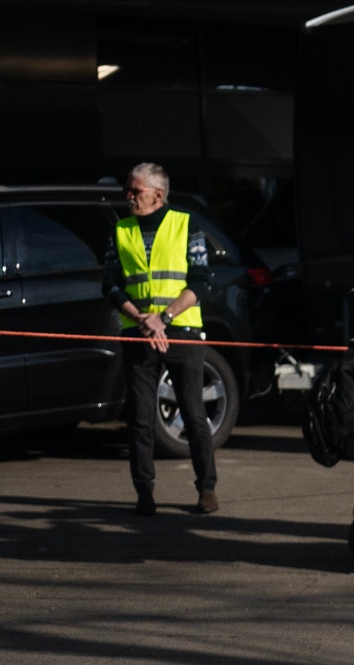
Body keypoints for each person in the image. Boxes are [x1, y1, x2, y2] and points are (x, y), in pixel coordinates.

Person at [103, 161, 216, 517]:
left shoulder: (186, 224)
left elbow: (200, 281)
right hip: (139, 332)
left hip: (180, 331)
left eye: (135, 191)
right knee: (139, 417)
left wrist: (164, 318)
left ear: (158, 194)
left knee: (194, 414)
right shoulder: (120, 230)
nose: (129, 197)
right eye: (129, 190)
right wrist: (142, 319)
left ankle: (207, 489)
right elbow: (110, 284)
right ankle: (144, 493)